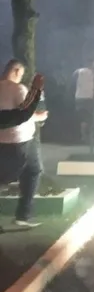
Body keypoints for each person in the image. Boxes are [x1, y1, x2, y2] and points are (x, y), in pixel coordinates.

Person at [0, 62, 47, 228]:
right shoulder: (18, 89)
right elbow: (24, 114)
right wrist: (41, 116)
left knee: (28, 172)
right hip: (20, 141)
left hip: (4, 141)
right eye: (21, 73)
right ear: (16, 70)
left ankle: (24, 215)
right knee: (30, 172)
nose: (21, 77)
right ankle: (23, 215)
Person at [73, 59, 94, 143]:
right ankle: (90, 137)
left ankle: (83, 136)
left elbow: (74, 78)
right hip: (89, 98)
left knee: (83, 118)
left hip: (79, 98)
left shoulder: (79, 71)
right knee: (91, 118)